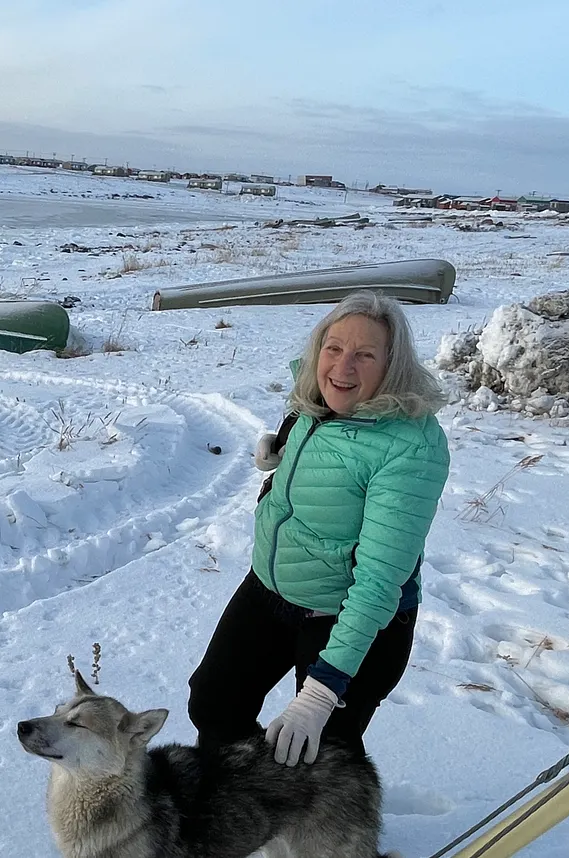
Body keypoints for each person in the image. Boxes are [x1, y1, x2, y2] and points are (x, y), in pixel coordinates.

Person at [188, 290, 450, 766]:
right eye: (334, 348)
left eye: (365, 355)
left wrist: (321, 693)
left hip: (353, 612)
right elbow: (330, 451)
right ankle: (239, 814)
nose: (342, 367)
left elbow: (378, 581)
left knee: (323, 752)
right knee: (213, 703)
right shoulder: (313, 395)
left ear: (392, 366)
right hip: (272, 589)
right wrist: (282, 451)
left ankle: (329, 833)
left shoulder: (411, 448)